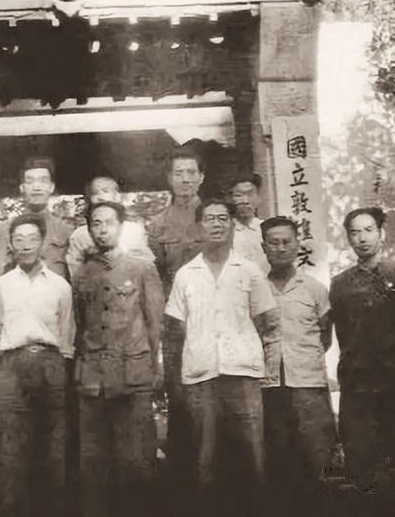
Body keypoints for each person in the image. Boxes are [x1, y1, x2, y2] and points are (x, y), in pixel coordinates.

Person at [164, 198, 279, 517]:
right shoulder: (186, 275)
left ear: (231, 225)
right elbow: (176, 330)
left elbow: (267, 323)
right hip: (201, 378)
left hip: (243, 376)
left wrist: (254, 360)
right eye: (209, 218)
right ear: (199, 226)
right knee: (206, 459)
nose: (216, 224)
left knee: (252, 455)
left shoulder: (249, 271)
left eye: (222, 218)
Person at [0, 213, 76, 517]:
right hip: (12, 366)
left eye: (32, 239)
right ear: (10, 244)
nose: (25, 245)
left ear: (42, 243)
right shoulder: (1, 286)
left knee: (52, 444)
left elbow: (67, 336)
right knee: (10, 447)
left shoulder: (60, 286)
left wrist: (60, 372)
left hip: (51, 364)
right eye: (18, 239)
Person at [74, 201, 164, 517]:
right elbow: (80, 325)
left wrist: (155, 368)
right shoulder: (82, 273)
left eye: (109, 222)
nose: (102, 230)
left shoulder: (141, 269)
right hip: (93, 380)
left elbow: (155, 323)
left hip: (133, 375)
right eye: (95, 223)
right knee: (94, 465)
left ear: (121, 227)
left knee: (136, 461)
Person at [330, 207, 395, 486]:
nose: (362, 238)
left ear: (381, 233)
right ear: (348, 239)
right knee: (360, 464)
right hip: (357, 385)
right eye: (354, 232)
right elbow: (342, 334)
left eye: (368, 230)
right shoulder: (340, 285)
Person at [260, 217, 337, 517]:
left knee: (316, 460)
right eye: (273, 243)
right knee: (277, 461)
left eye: (286, 242)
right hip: (269, 388)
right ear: (263, 247)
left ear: (297, 245)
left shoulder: (315, 289)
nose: (280, 248)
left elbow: (325, 336)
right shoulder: (255, 289)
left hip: (308, 387)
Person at [147, 143, 205, 490]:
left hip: (213, 320)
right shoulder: (157, 226)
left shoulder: (215, 217)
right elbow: (154, 282)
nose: (185, 179)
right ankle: (184, 483)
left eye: (191, 173)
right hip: (176, 326)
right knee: (180, 397)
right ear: (169, 179)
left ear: (201, 177)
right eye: (178, 173)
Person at [0, 156, 74, 281]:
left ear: (51, 187)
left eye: (43, 181)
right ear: (22, 188)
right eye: (30, 181)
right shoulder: (3, 231)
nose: (36, 187)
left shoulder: (66, 231)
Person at [66, 176, 153, 279]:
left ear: (117, 196)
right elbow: (75, 271)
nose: (100, 197)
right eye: (95, 193)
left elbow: (147, 265)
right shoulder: (80, 235)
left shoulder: (134, 230)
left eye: (105, 191)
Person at [230, 173, 269, 273]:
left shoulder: (267, 229)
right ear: (230, 199)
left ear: (259, 197)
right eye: (238, 195)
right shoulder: (226, 231)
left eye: (250, 194)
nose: (245, 201)